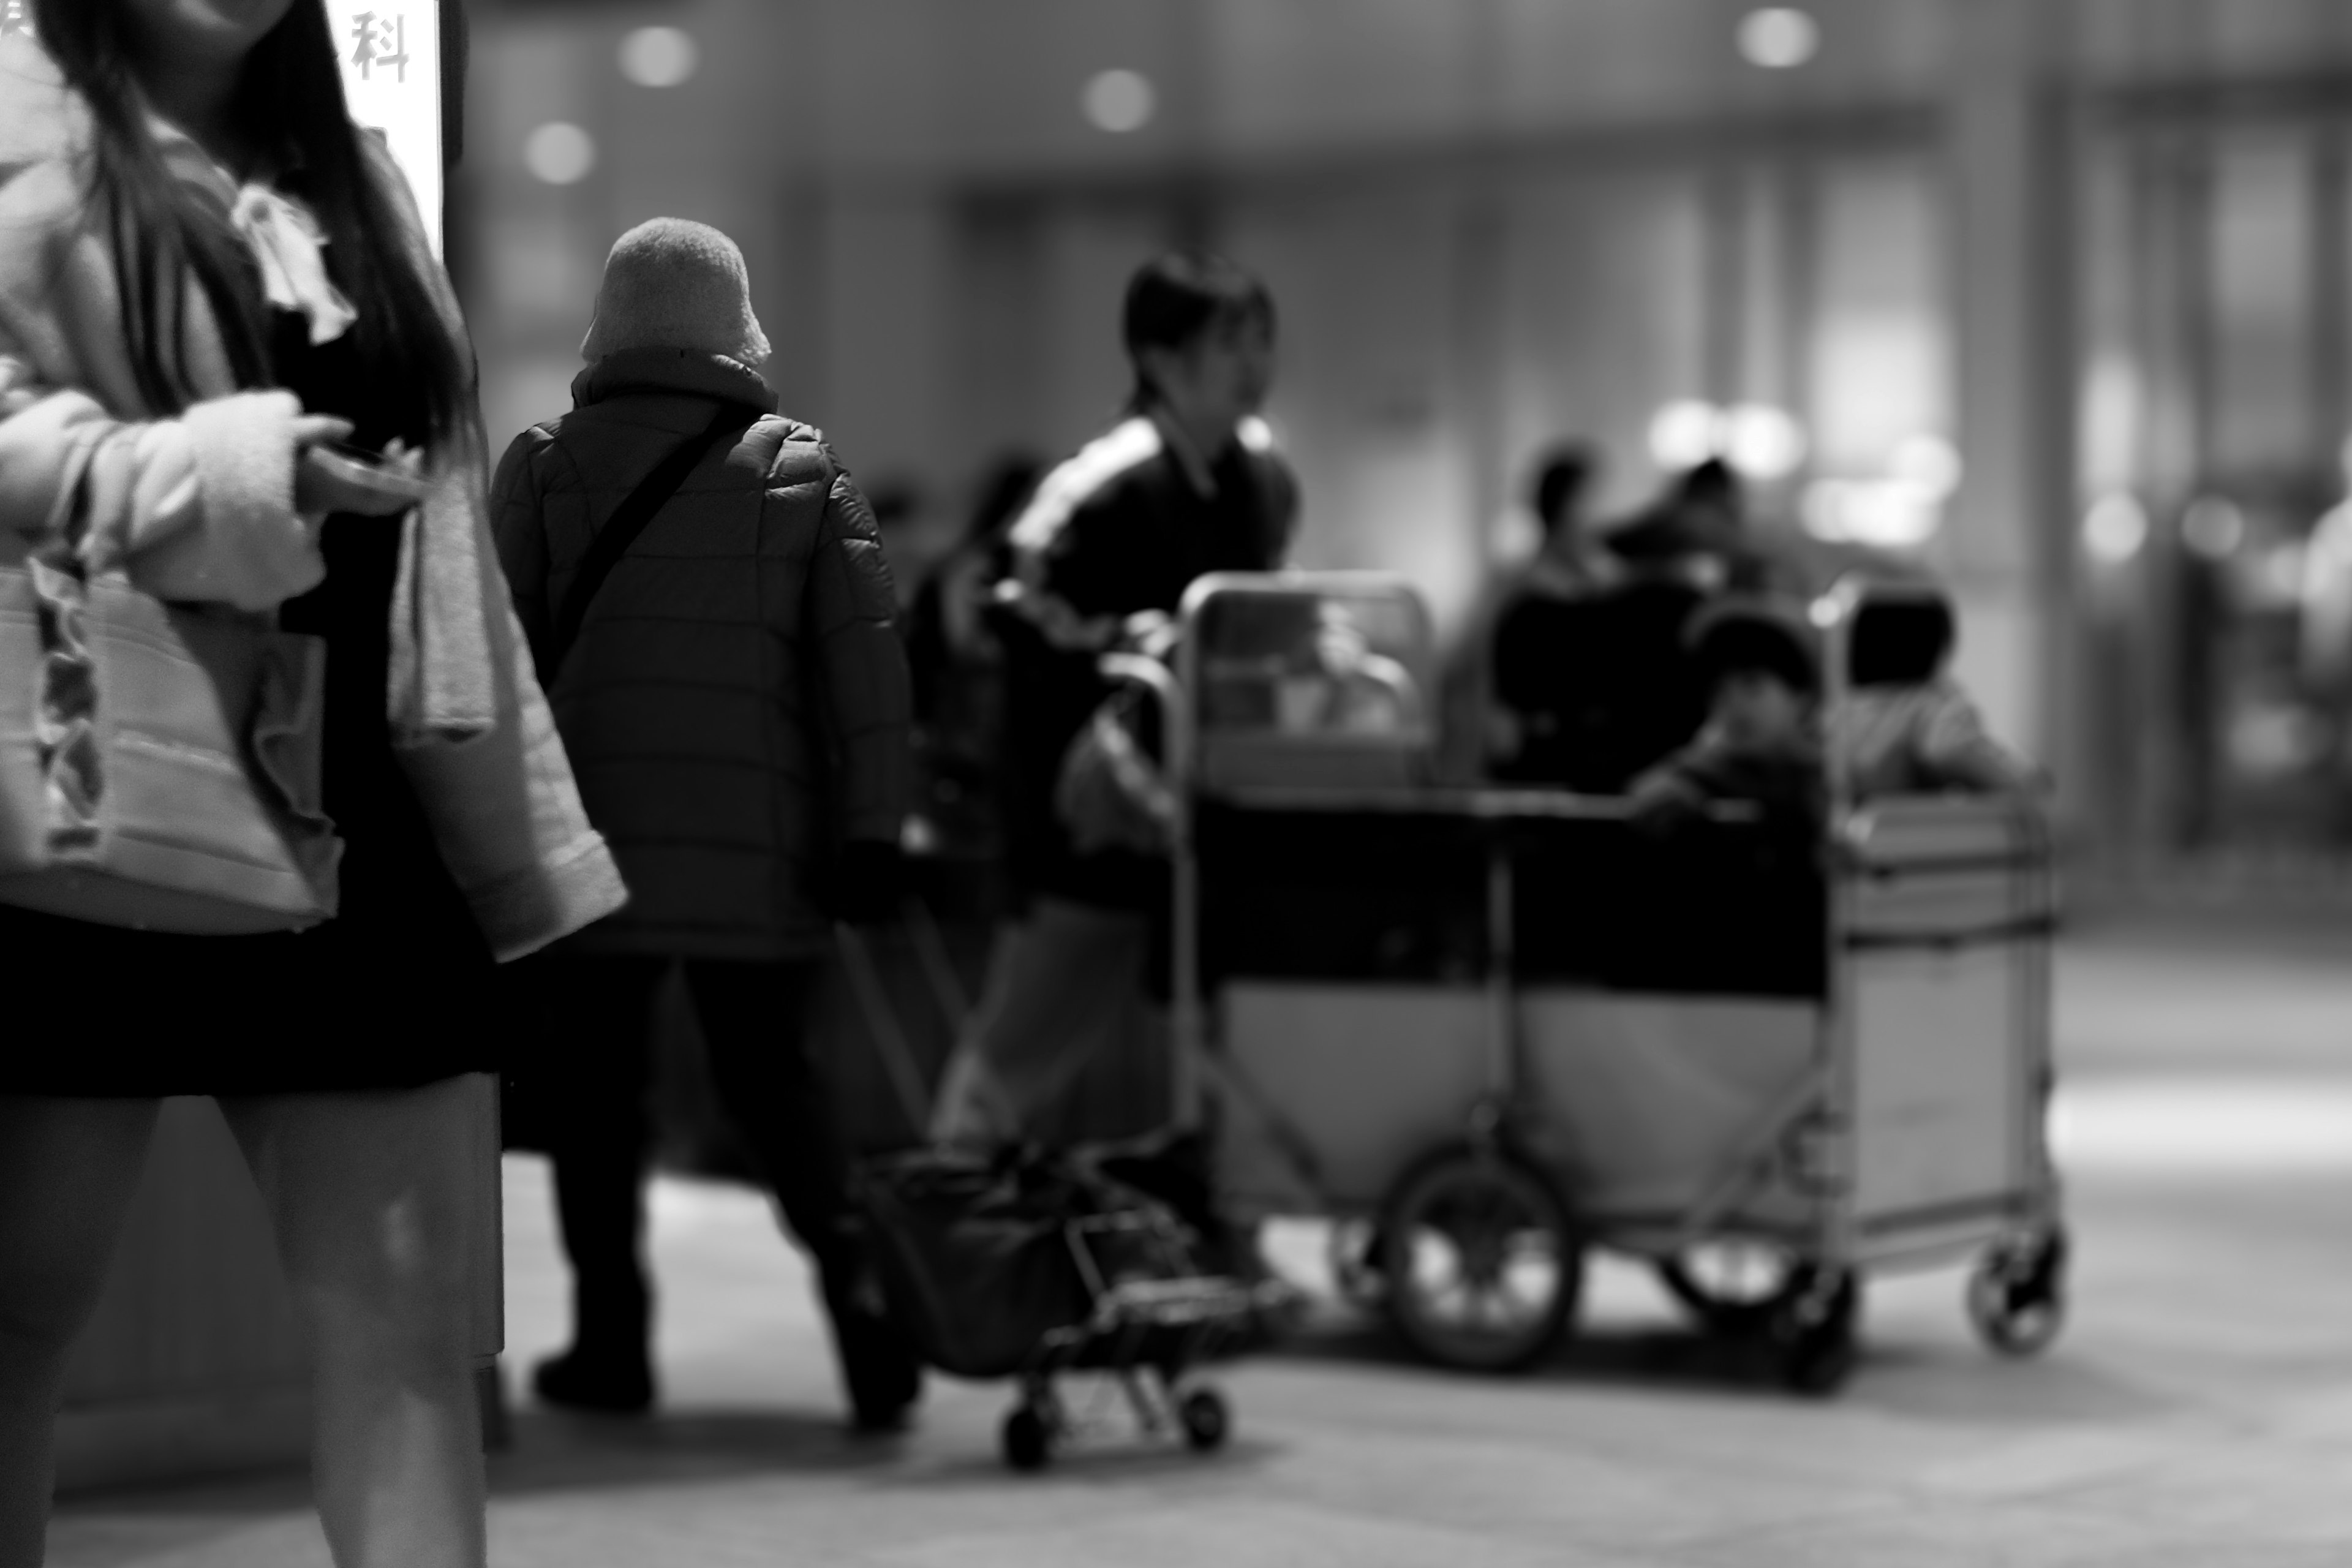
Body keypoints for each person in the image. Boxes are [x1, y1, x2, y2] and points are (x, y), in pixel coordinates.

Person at [0, 4, 627, 1565]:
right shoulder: (12, 106)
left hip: (358, 794)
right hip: (75, 763)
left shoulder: (347, 167)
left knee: (412, 1325)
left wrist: (522, 848)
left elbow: (446, 532)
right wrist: (224, 471)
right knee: (15, 1312)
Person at [489, 218, 922, 1432]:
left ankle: (613, 1345)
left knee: (596, 1108)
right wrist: (877, 831)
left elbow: (499, 669)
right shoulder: (801, 470)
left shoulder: (544, 465)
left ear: (609, 321)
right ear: (737, 324)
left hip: (596, 857)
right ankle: (869, 1327)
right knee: (782, 1094)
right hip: (760, 855)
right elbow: (870, 675)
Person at [929, 251, 1297, 1148]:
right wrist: (1128, 643)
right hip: (1087, 824)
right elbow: (1004, 596)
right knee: (1025, 1047)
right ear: (1160, 358)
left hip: (1204, 818)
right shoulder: (1102, 481)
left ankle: (1222, 1234)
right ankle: (952, 1225)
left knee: (1226, 1045)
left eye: (1263, 339)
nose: (1256, 363)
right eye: (1230, 341)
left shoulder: (1263, 479)